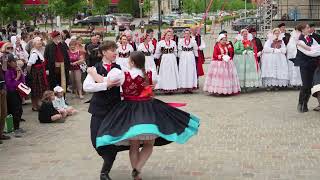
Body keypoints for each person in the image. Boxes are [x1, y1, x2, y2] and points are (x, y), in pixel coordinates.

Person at [88, 51, 199, 180]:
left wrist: (92, 73)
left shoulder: (124, 74)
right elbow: (153, 87)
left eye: (129, 60)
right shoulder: (150, 73)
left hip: (130, 110)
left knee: (134, 145)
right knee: (149, 144)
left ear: (132, 62)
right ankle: (137, 169)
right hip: (149, 109)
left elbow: (104, 82)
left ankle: (136, 173)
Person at [83, 40, 125, 180]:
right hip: (99, 109)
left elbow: (114, 83)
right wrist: (105, 85)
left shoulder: (118, 68)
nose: (115, 53)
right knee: (96, 140)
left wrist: (100, 81)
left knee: (112, 141)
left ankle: (104, 172)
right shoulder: (95, 67)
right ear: (104, 52)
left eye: (116, 50)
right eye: (112, 50)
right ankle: (107, 157)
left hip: (114, 109)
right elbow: (87, 87)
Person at [295, 23, 318, 113]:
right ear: (302, 30)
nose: (309, 29)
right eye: (307, 28)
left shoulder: (312, 39)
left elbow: (317, 49)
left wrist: (313, 49)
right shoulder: (299, 41)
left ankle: (305, 104)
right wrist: (313, 49)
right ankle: (301, 103)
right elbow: (310, 52)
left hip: (313, 65)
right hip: (304, 65)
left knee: (311, 85)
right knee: (305, 85)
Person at [5, 54, 25, 137]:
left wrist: (21, 73)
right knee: (14, 110)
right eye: (14, 61)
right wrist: (17, 78)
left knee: (19, 109)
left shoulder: (16, 69)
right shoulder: (7, 72)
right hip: (11, 93)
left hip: (18, 92)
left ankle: (17, 127)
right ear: (9, 63)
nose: (15, 63)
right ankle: (14, 128)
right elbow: (9, 84)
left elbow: (22, 81)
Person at [27, 37, 48, 111]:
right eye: (38, 44)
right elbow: (29, 65)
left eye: (40, 43)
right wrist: (30, 74)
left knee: (38, 89)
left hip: (40, 73)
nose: (40, 45)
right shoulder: (34, 53)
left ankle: (36, 105)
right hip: (36, 74)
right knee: (37, 89)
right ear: (34, 45)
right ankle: (36, 105)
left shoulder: (38, 52)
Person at [0, 42, 10, 144]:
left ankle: (1, 132)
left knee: (4, 111)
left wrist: (4, 59)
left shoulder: (3, 58)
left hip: (2, 86)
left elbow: (4, 69)